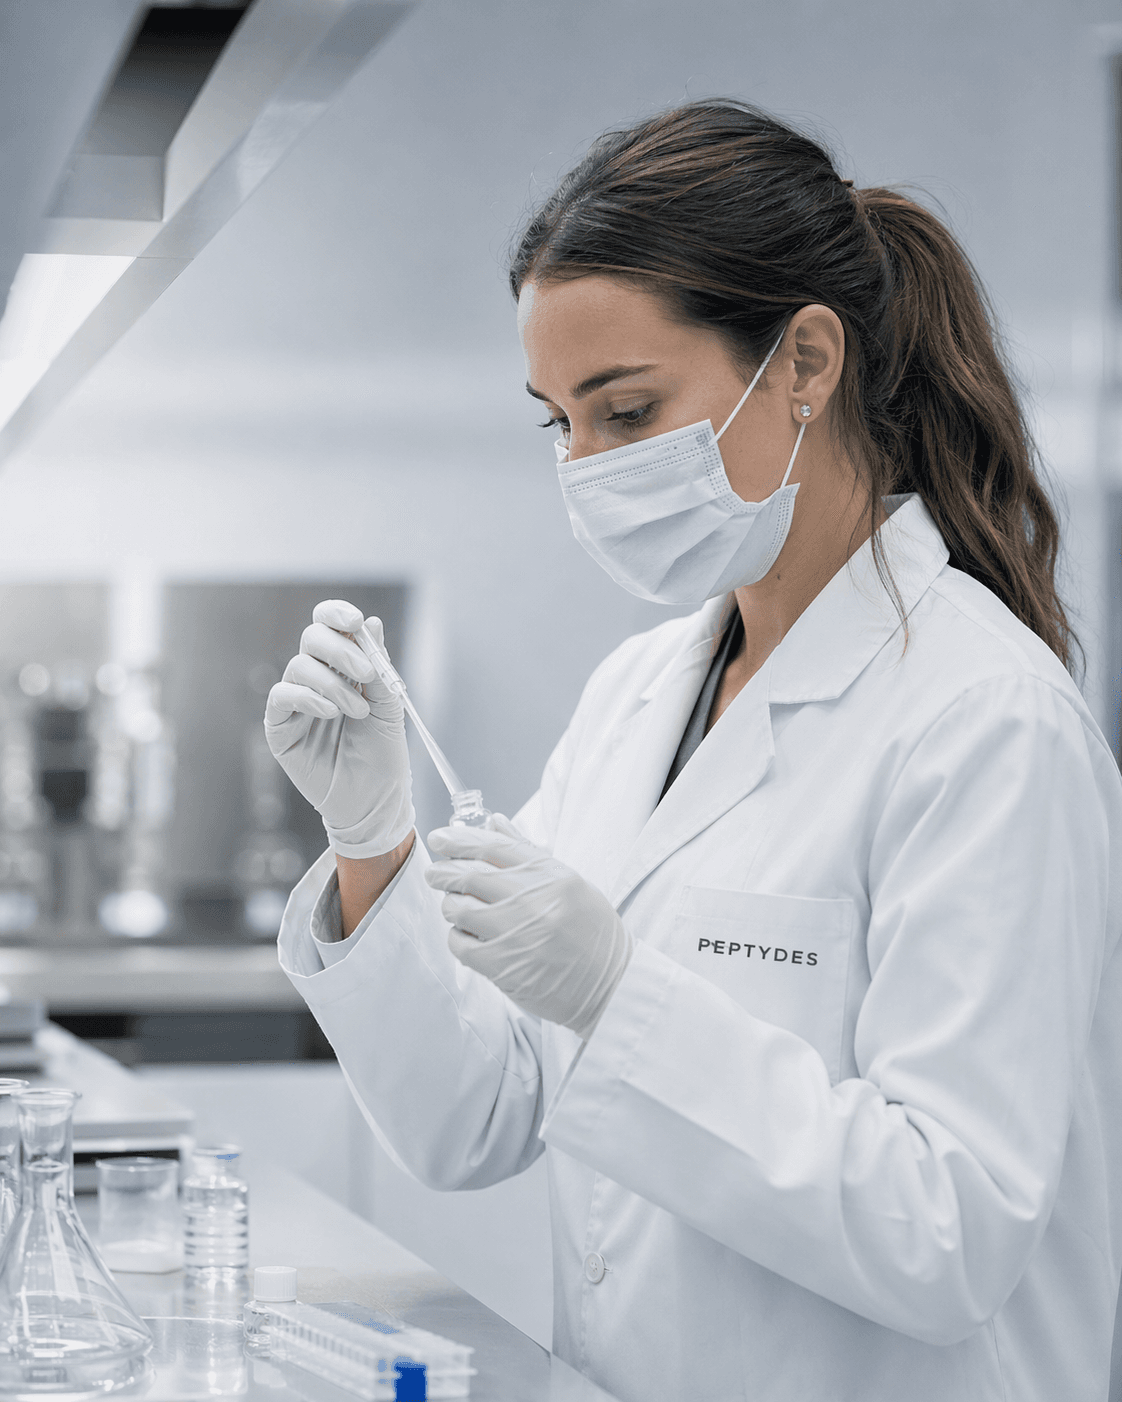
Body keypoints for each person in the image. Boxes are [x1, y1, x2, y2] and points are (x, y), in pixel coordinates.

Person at [265, 101, 1122, 1402]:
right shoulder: (636, 696)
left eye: (625, 408)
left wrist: (620, 998)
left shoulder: (983, 721)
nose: (587, 466)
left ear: (803, 363)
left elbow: (947, 1231)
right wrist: (371, 839)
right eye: (558, 422)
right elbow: (475, 1117)